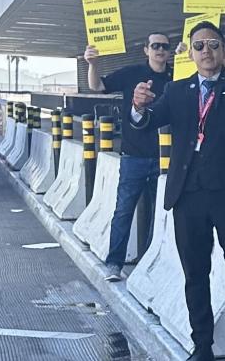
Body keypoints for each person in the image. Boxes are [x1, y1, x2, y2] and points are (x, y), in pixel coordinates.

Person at [130, 21, 225, 361]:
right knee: (196, 274)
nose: (206, 51)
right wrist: (138, 107)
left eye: (213, 44)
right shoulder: (177, 91)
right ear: (190, 53)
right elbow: (147, 121)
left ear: (224, 51)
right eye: (199, 46)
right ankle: (203, 346)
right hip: (189, 196)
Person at [84, 33, 172, 282]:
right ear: (146, 49)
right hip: (133, 156)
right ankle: (114, 263)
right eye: (155, 46)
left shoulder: (176, 76)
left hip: (166, 159)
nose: (160, 50)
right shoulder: (132, 73)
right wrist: (92, 64)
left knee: (161, 215)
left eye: (165, 47)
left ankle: (152, 262)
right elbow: (97, 86)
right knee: (123, 210)